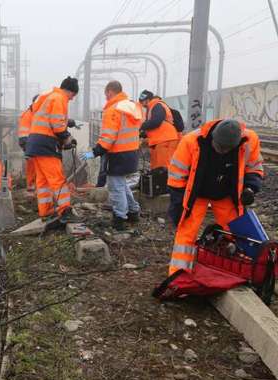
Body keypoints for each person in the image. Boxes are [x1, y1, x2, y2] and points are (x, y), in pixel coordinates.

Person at [166, 119, 263, 275]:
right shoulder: (191, 141)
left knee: (234, 230)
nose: (222, 152)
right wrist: (178, 203)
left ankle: (234, 268)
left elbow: (254, 167)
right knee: (187, 231)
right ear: (213, 138)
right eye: (219, 147)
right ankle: (179, 274)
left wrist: (250, 188)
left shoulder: (249, 140)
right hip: (197, 194)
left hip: (226, 193)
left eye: (227, 149)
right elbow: (176, 176)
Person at [79, 81, 142, 230]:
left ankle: (120, 217)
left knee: (116, 187)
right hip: (132, 152)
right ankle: (133, 211)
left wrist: (93, 152)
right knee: (122, 184)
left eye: (105, 94)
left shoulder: (113, 109)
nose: (105, 97)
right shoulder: (131, 107)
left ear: (109, 92)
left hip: (118, 154)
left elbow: (109, 137)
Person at [25, 76, 79, 227]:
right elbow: (57, 124)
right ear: (69, 91)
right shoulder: (59, 98)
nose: (72, 99)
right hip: (46, 143)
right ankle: (65, 211)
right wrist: (66, 137)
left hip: (35, 143)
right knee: (57, 178)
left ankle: (46, 211)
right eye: (73, 95)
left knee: (42, 181)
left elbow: (51, 121)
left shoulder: (49, 98)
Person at [138, 90, 180, 170]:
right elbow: (155, 127)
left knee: (163, 168)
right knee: (156, 168)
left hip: (165, 140)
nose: (143, 106)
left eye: (142, 103)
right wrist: (142, 134)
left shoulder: (157, 105)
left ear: (147, 100)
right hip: (160, 141)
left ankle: (164, 182)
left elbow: (156, 122)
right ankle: (159, 182)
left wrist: (140, 126)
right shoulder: (152, 107)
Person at [18, 95, 38, 194]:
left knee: (35, 163)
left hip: (32, 142)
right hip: (28, 142)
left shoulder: (34, 113)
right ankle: (31, 185)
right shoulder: (28, 115)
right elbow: (23, 133)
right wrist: (27, 147)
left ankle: (33, 184)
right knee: (32, 163)